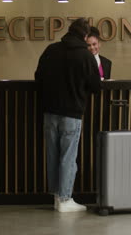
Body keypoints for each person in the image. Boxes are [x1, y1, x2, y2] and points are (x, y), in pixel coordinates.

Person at [34, 18, 101, 213]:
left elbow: (38, 77)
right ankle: (64, 199)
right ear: (85, 35)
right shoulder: (85, 56)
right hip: (72, 113)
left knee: (53, 155)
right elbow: (96, 87)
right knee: (68, 157)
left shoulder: (51, 50)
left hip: (49, 112)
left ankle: (56, 196)